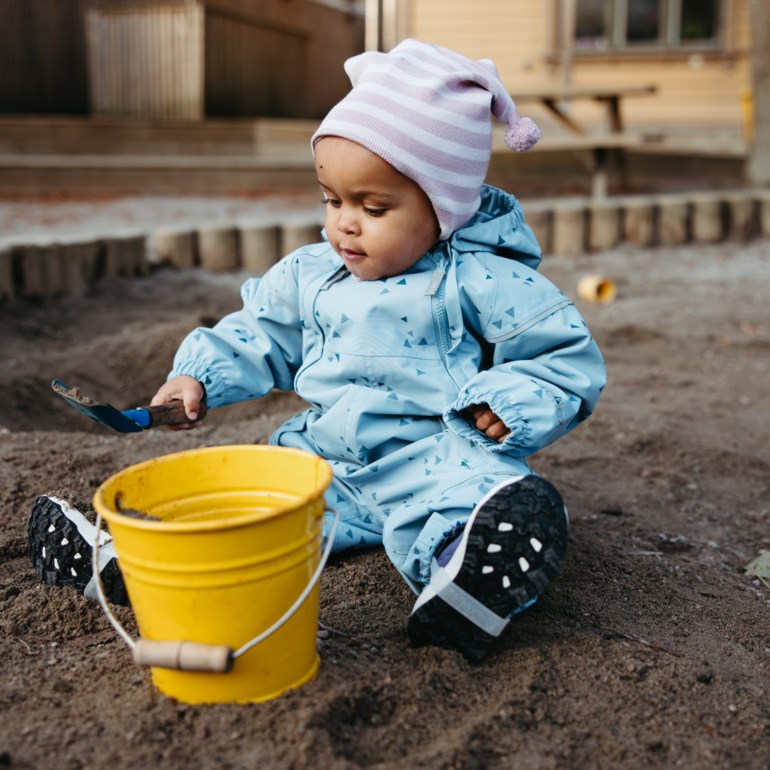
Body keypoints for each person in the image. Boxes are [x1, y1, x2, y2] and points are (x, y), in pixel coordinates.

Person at [29, 39, 606, 661]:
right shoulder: (312, 273)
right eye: (332, 200)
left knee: (487, 495)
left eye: (373, 207)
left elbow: (563, 361)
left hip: (439, 456)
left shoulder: (486, 279)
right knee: (253, 503)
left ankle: (461, 581)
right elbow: (262, 332)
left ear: (445, 208)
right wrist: (200, 376)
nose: (344, 223)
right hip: (324, 458)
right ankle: (134, 560)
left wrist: (508, 404)